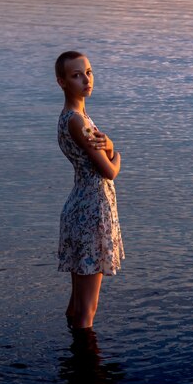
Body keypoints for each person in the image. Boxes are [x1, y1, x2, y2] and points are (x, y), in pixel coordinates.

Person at [55, 51, 125, 330]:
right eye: (76, 75)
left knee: (77, 305)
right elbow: (109, 171)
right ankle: (85, 371)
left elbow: (100, 150)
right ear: (61, 82)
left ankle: (72, 362)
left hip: (82, 205)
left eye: (88, 72)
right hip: (92, 211)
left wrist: (108, 144)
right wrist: (118, 152)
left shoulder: (75, 117)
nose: (86, 79)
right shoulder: (78, 121)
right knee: (87, 310)